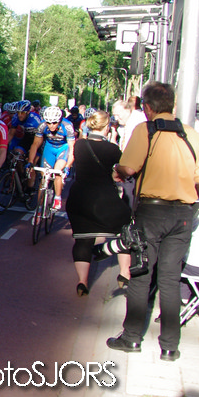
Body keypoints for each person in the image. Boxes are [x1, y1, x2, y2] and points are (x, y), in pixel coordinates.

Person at [107, 81, 199, 362]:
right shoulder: (191, 134)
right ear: (172, 105)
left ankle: (131, 338)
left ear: (148, 108)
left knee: (141, 275)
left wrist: (117, 169)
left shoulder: (146, 130)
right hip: (183, 214)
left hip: (152, 212)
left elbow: (129, 168)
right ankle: (169, 346)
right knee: (170, 279)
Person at [65, 110, 133, 296]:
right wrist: (114, 139)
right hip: (104, 199)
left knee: (83, 240)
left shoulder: (80, 145)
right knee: (125, 230)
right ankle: (124, 273)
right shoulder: (112, 149)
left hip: (80, 198)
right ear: (107, 127)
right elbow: (120, 171)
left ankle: (82, 281)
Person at [25, 105, 75, 210]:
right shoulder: (42, 125)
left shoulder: (67, 126)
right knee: (44, 178)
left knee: (57, 171)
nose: (51, 126)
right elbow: (35, 144)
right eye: (48, 122)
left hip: (63, 148)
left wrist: (68, 166)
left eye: (54, 123)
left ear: (60, 120)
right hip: (49, 148)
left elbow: (72, 149)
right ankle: (39, 209)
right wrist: (30, 161)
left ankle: (57, 197)